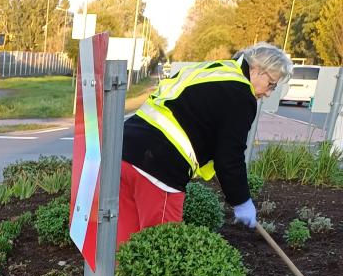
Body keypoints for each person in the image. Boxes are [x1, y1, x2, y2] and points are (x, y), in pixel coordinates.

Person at [117, 42, 293, 252]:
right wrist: (241, 200)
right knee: (161, 249)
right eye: (271, 84)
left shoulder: (217, 71)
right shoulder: (241, 95)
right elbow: (230, 155)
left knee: (125, 242)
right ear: (256, 69)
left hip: (124, 150)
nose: (269, 93)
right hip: (159, 166)